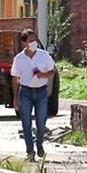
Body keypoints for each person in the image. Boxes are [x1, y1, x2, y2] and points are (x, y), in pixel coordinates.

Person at [11, 28, 55, 162]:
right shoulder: (19, 59)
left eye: (35, 40)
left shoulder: (44, 55)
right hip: (26, 92)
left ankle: (39, 142)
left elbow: (52, 71)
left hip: (41, 90)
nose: (33, 43)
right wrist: (15, 98)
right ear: (24, 42)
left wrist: (43, 74)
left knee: (41, 122)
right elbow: (15, 78)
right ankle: (30, 151)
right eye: (30, 41)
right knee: (26, 123)